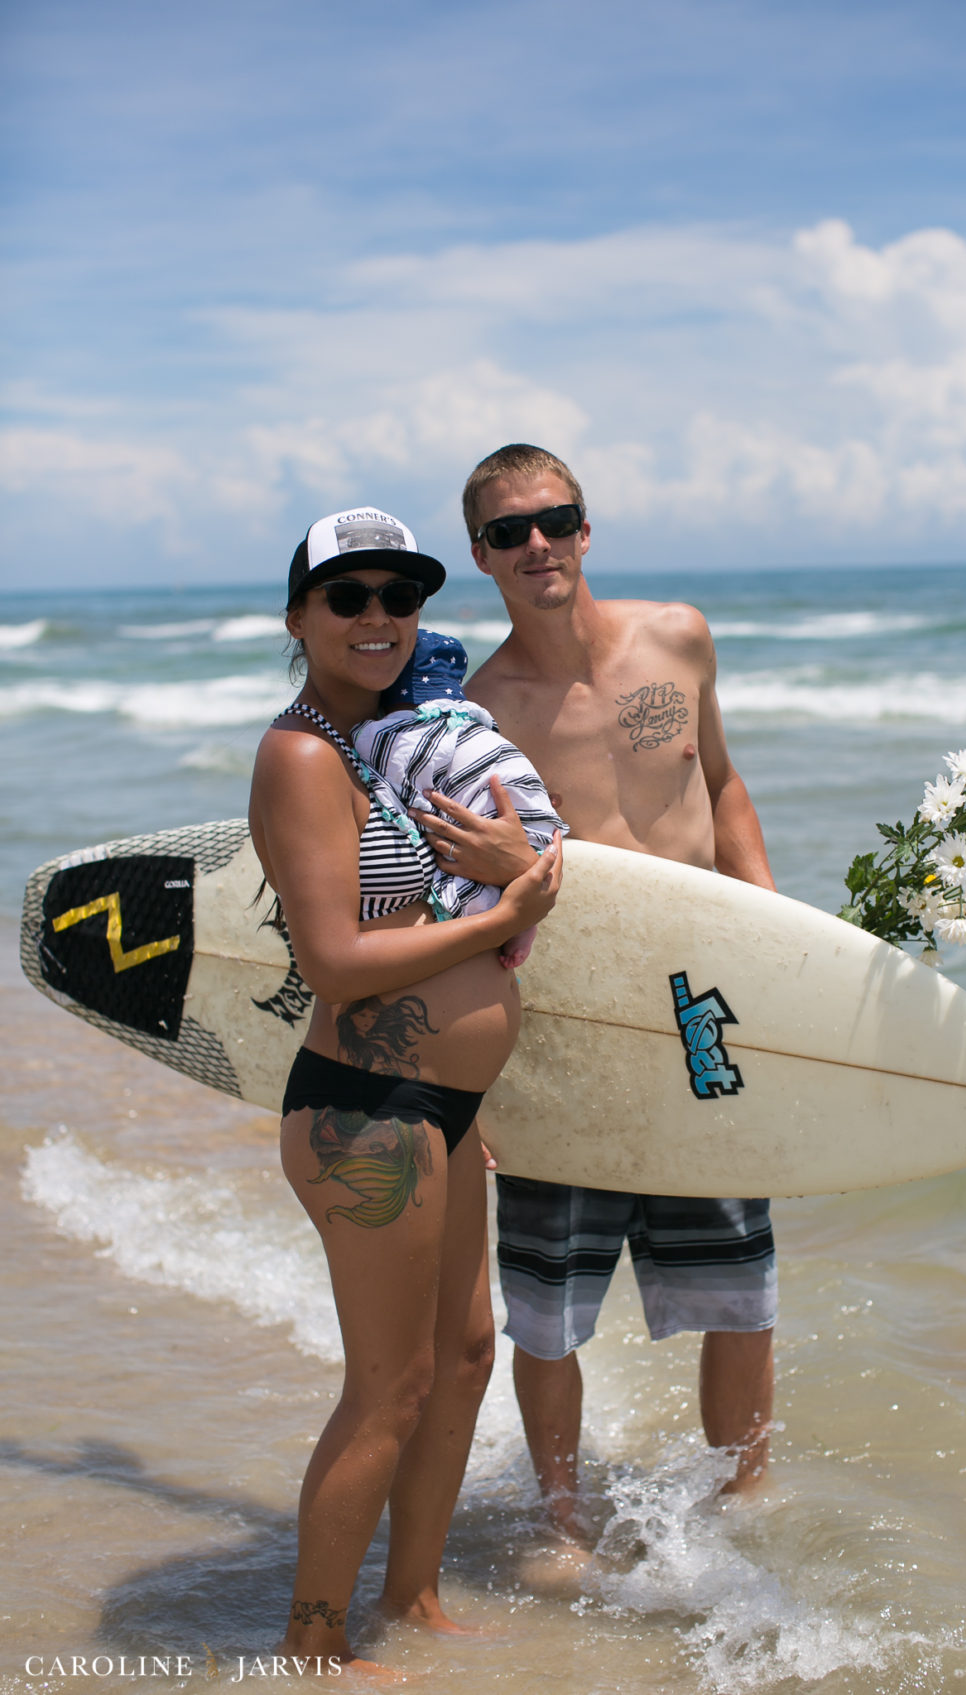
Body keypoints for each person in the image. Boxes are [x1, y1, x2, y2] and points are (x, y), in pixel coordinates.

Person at [409, 446, 777, 1552]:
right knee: (550, 1309)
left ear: (584, 527)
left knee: (739, 1285)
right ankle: (562, 1526)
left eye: (555, 521)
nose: (538, 546)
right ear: (478, 556)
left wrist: (779, 939)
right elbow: (458, 896)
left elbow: (717, 782)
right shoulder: (475, 713)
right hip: (560, 1030)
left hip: (702, 1008)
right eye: (510, 532)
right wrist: (465, 1085)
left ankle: (744, 1504)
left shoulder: (678, 637)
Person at [248, 503, 562, 1675]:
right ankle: (312, 1643)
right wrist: (520, 910)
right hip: (361, 1112)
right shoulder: (301, 755)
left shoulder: (400, 739)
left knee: (465, 1356)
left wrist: (505, 872)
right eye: (349, 597)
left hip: (444, 1110)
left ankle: (413, 1600)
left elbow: (428, 904)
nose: (379, 618)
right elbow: (331, 958)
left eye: (401, 596)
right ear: (300, 618)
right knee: (388, 1389)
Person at [351, 627, 567, 970]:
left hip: (483, 847)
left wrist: (355, 735)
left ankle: (509, 918)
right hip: (535, 827)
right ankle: (524, 922)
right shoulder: (485, 734)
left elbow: (374, 751)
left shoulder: (401, 733)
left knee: (469, 877)